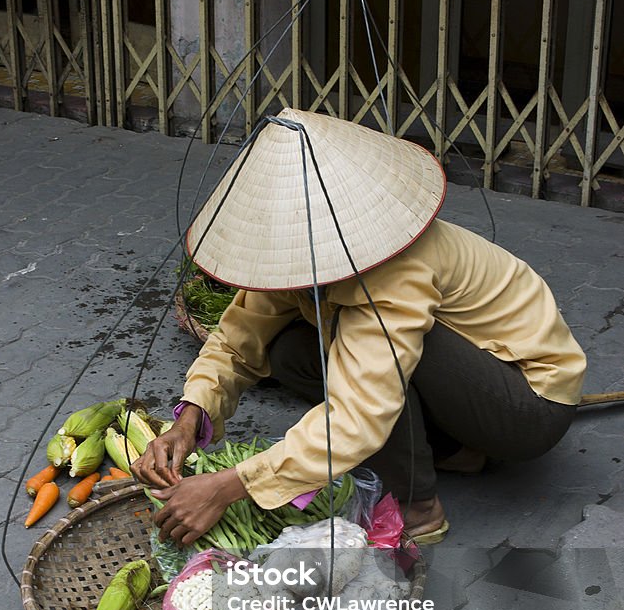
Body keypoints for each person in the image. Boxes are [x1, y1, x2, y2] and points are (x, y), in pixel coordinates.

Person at [132, 108, 586, 546]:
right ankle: (455, 451)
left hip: (525, 401)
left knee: (381, 364)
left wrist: (227, 486)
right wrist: (191, 416)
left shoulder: (397, 270)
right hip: (462, 387)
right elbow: (237, 339)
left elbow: (361, 412)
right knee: (290, 350)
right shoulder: (294, 248)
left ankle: (420, 509)